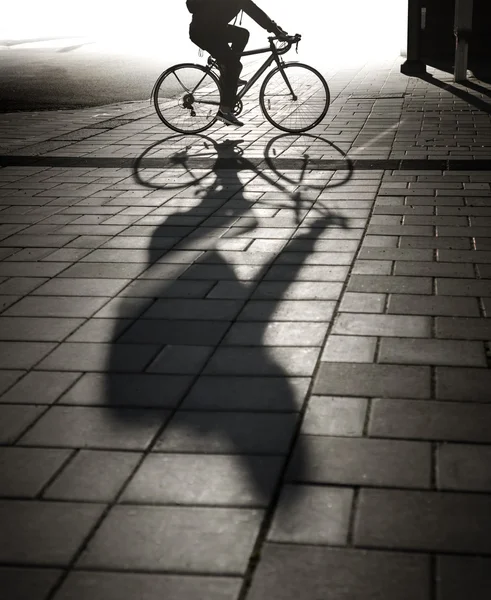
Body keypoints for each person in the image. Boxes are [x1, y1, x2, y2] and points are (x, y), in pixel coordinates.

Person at [187, 0, 288, 126]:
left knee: (242, 35)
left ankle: (227, 70)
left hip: (214, 30)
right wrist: (277, 31)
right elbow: (254, 11)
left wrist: (277, 30)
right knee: (234, 66)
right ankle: (224, 110)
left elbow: (254, 10)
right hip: (204, 33)